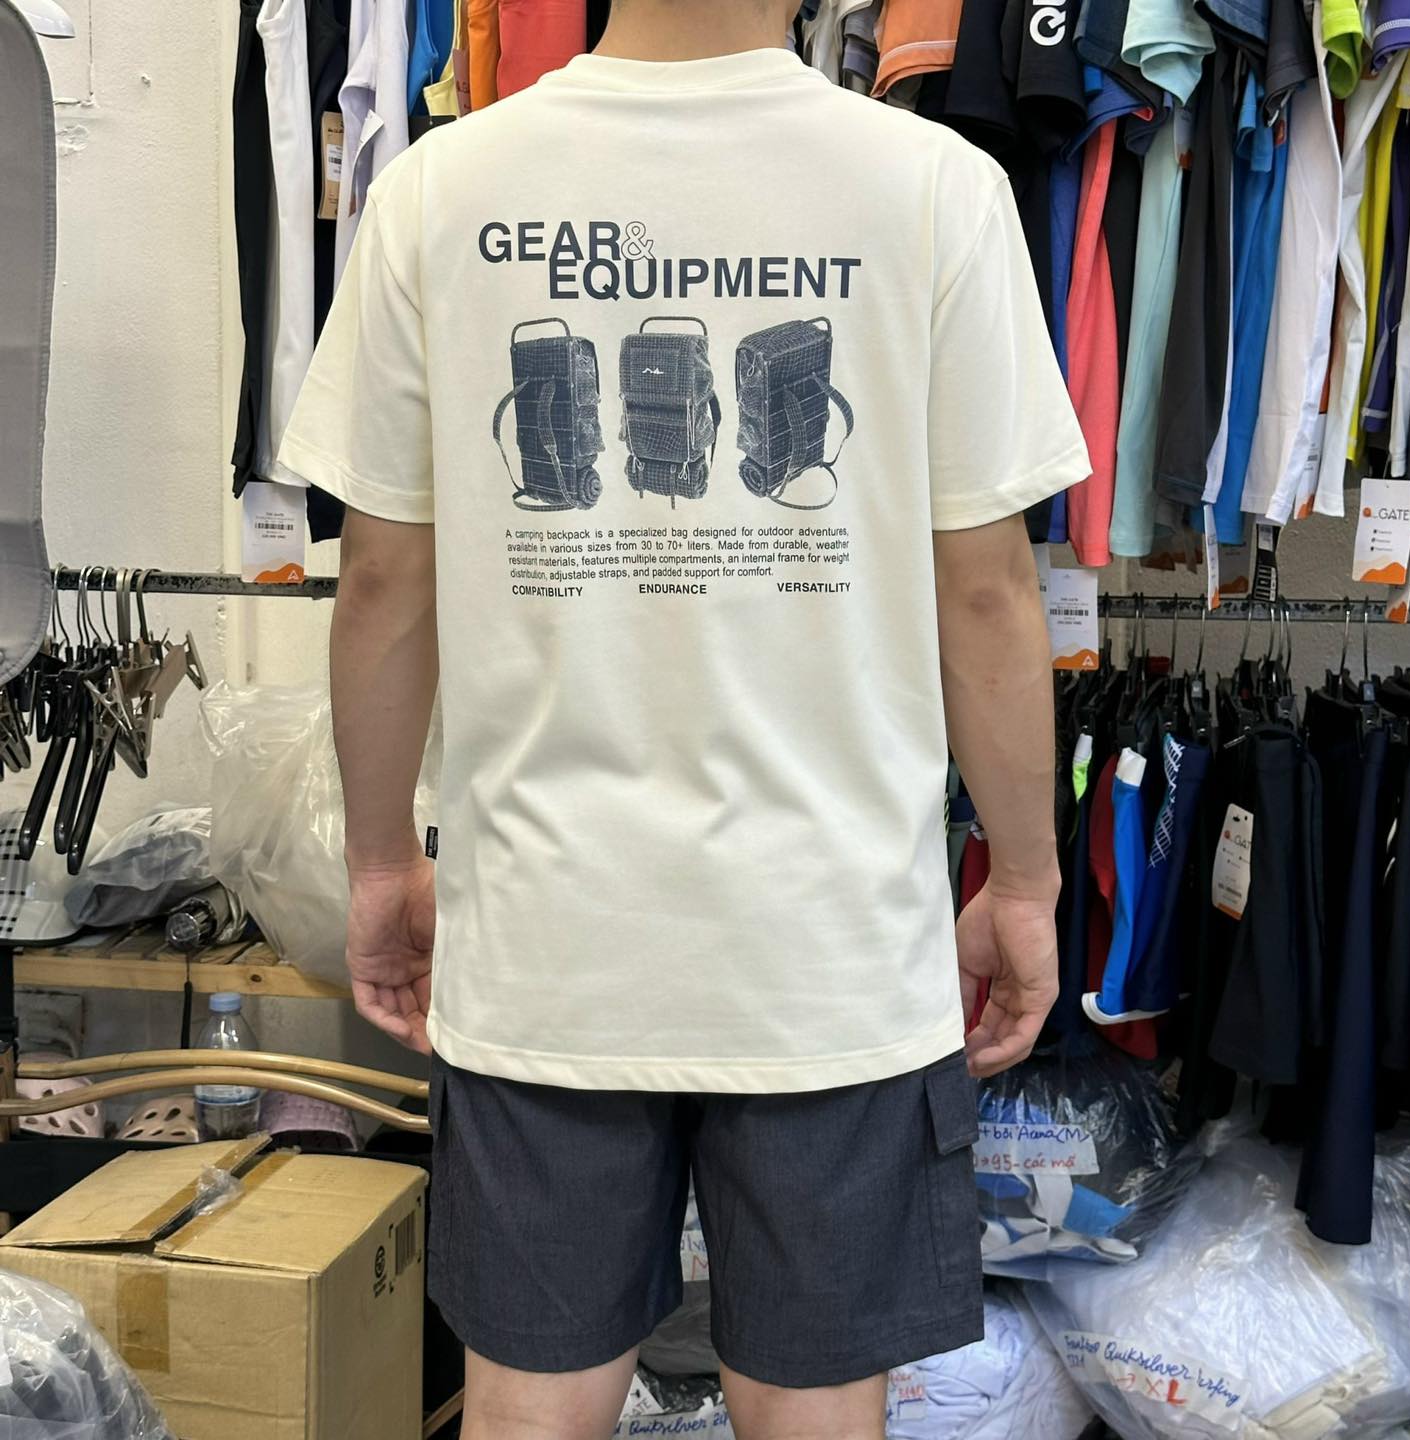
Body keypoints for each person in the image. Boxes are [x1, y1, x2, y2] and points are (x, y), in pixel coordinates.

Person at [276, 0, 1089, 1435]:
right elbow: (987, 595)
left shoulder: (439, 193)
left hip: (548, 948)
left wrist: (382, 860)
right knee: (815, 1410)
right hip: (830, 955)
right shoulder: (934, 191)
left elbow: (385, 583)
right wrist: (1023, 881)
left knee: (530, 1402)